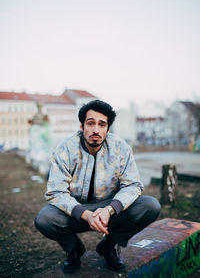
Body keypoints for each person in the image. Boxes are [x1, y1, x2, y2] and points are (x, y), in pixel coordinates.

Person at [35, 100, 161, 273]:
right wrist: (85, 214)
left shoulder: (120, 148)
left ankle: (109, 246)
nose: (96, 130)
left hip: (109, 209)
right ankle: (74, 250)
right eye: (90, 123)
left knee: (150, 205)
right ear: (81, 126)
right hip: (75, 211)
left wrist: (109, 210)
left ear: (107, 129)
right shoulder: (64, 150)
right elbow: (56, 192)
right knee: (44, 219)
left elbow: (133, 185)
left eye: (102, 124)